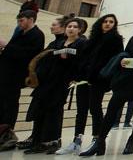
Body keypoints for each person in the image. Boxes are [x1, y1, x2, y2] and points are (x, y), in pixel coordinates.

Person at [80, 11, 133, 157]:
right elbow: (127, 55)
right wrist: (124, 61)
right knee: (112, 109)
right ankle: (100, 141)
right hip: (127, 79)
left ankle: (132, 138)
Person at [58, 14, 123, 155]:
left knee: (95, 108)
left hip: (99, 80)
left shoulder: (116, 40)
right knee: (81, 110)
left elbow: (114, 61)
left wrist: (103, 76)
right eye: (105, 21)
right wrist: (78, 75)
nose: (108, 24)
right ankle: (77, 141)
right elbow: (83, 58)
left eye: (111, 22)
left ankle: (97, 140)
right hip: (84, 78)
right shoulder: (93, 39)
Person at [24, 18, 87, 153]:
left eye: (75, 27)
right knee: (40, 110)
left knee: (54, 112)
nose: (71, 29)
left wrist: (68, 60)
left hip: (62, 81)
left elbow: (81, 63)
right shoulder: (58, 42)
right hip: (48, 80)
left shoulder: (81, 44)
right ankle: (37, 140)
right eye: (69, 26)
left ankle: (52, 141)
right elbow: (46, 57)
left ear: (80, 30)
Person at [0, 11, 45, 151]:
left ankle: (7, 132)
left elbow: (29, 54)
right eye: (19, 21)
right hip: (5, 74)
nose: (20, 23)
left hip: (16, 76)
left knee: (10, 104)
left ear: (31, 20)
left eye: (22, 20)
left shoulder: (37, 35)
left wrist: (6, 46)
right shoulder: (20, 32)